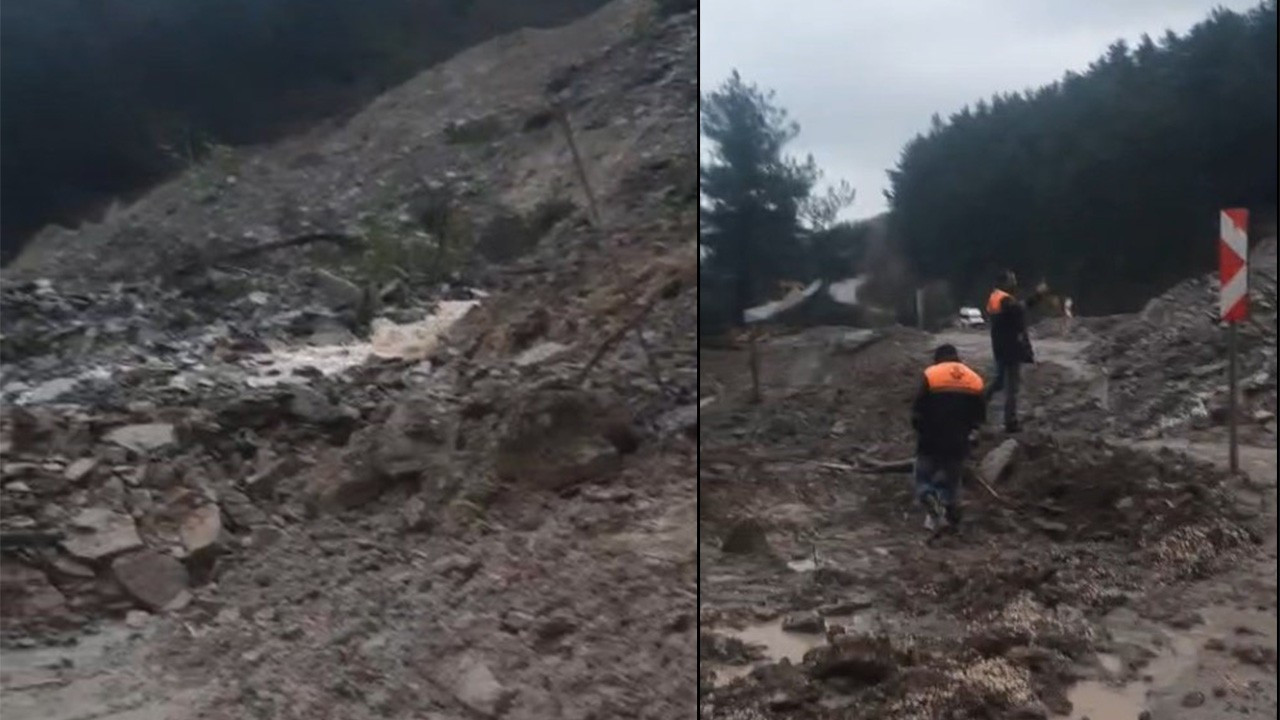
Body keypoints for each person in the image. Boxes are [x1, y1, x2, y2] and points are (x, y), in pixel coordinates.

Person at [910, 344, 986, 535]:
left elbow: (917, 410)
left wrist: (920, 431)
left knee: (923, 477)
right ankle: (945, 510)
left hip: (930, 438)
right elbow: (980, 417)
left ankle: (930, 498)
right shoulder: (974, 379)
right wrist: (971, 434)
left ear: (938, 358)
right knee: (951, 482)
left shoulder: (931, 374)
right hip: (958, 441)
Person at [984, 270, 1043, 433]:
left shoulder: (995, 297)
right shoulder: (1005, 300)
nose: (1014, 283)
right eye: (1012, 280)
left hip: (1000, 347)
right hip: (1011, 348)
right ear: (1004, 283)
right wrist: (1037, 296)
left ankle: (978, 405)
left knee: (999, 381)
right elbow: (1020, 310)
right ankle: (1010, 422)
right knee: (1012, 387)